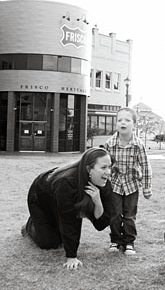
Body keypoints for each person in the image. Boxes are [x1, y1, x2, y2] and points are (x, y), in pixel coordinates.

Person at [21, 147, 114, 269]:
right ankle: (29, 225)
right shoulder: (67, 183)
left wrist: (98, 202)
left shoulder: (104, 182)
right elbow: (70, 221)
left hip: (61, 201)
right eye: (103, 167)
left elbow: (101, 223)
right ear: (88, 169)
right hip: (40, 199)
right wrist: (71, 257)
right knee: (49, 243)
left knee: (61, 234)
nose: (108, 172)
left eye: (109, 166)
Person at [103, 107, 152, 256]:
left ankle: (129, 242)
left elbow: (145, 165)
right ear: (116, 124)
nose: (123, 123)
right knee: (115, 214)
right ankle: (116, 240)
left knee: (129, 215)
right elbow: (104, 166)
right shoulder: (109, 144)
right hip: (115, 185)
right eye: (119, 120)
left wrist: (147, 187)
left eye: (127, 120)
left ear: (134, 124)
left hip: (131, 185)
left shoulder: (138, 145)